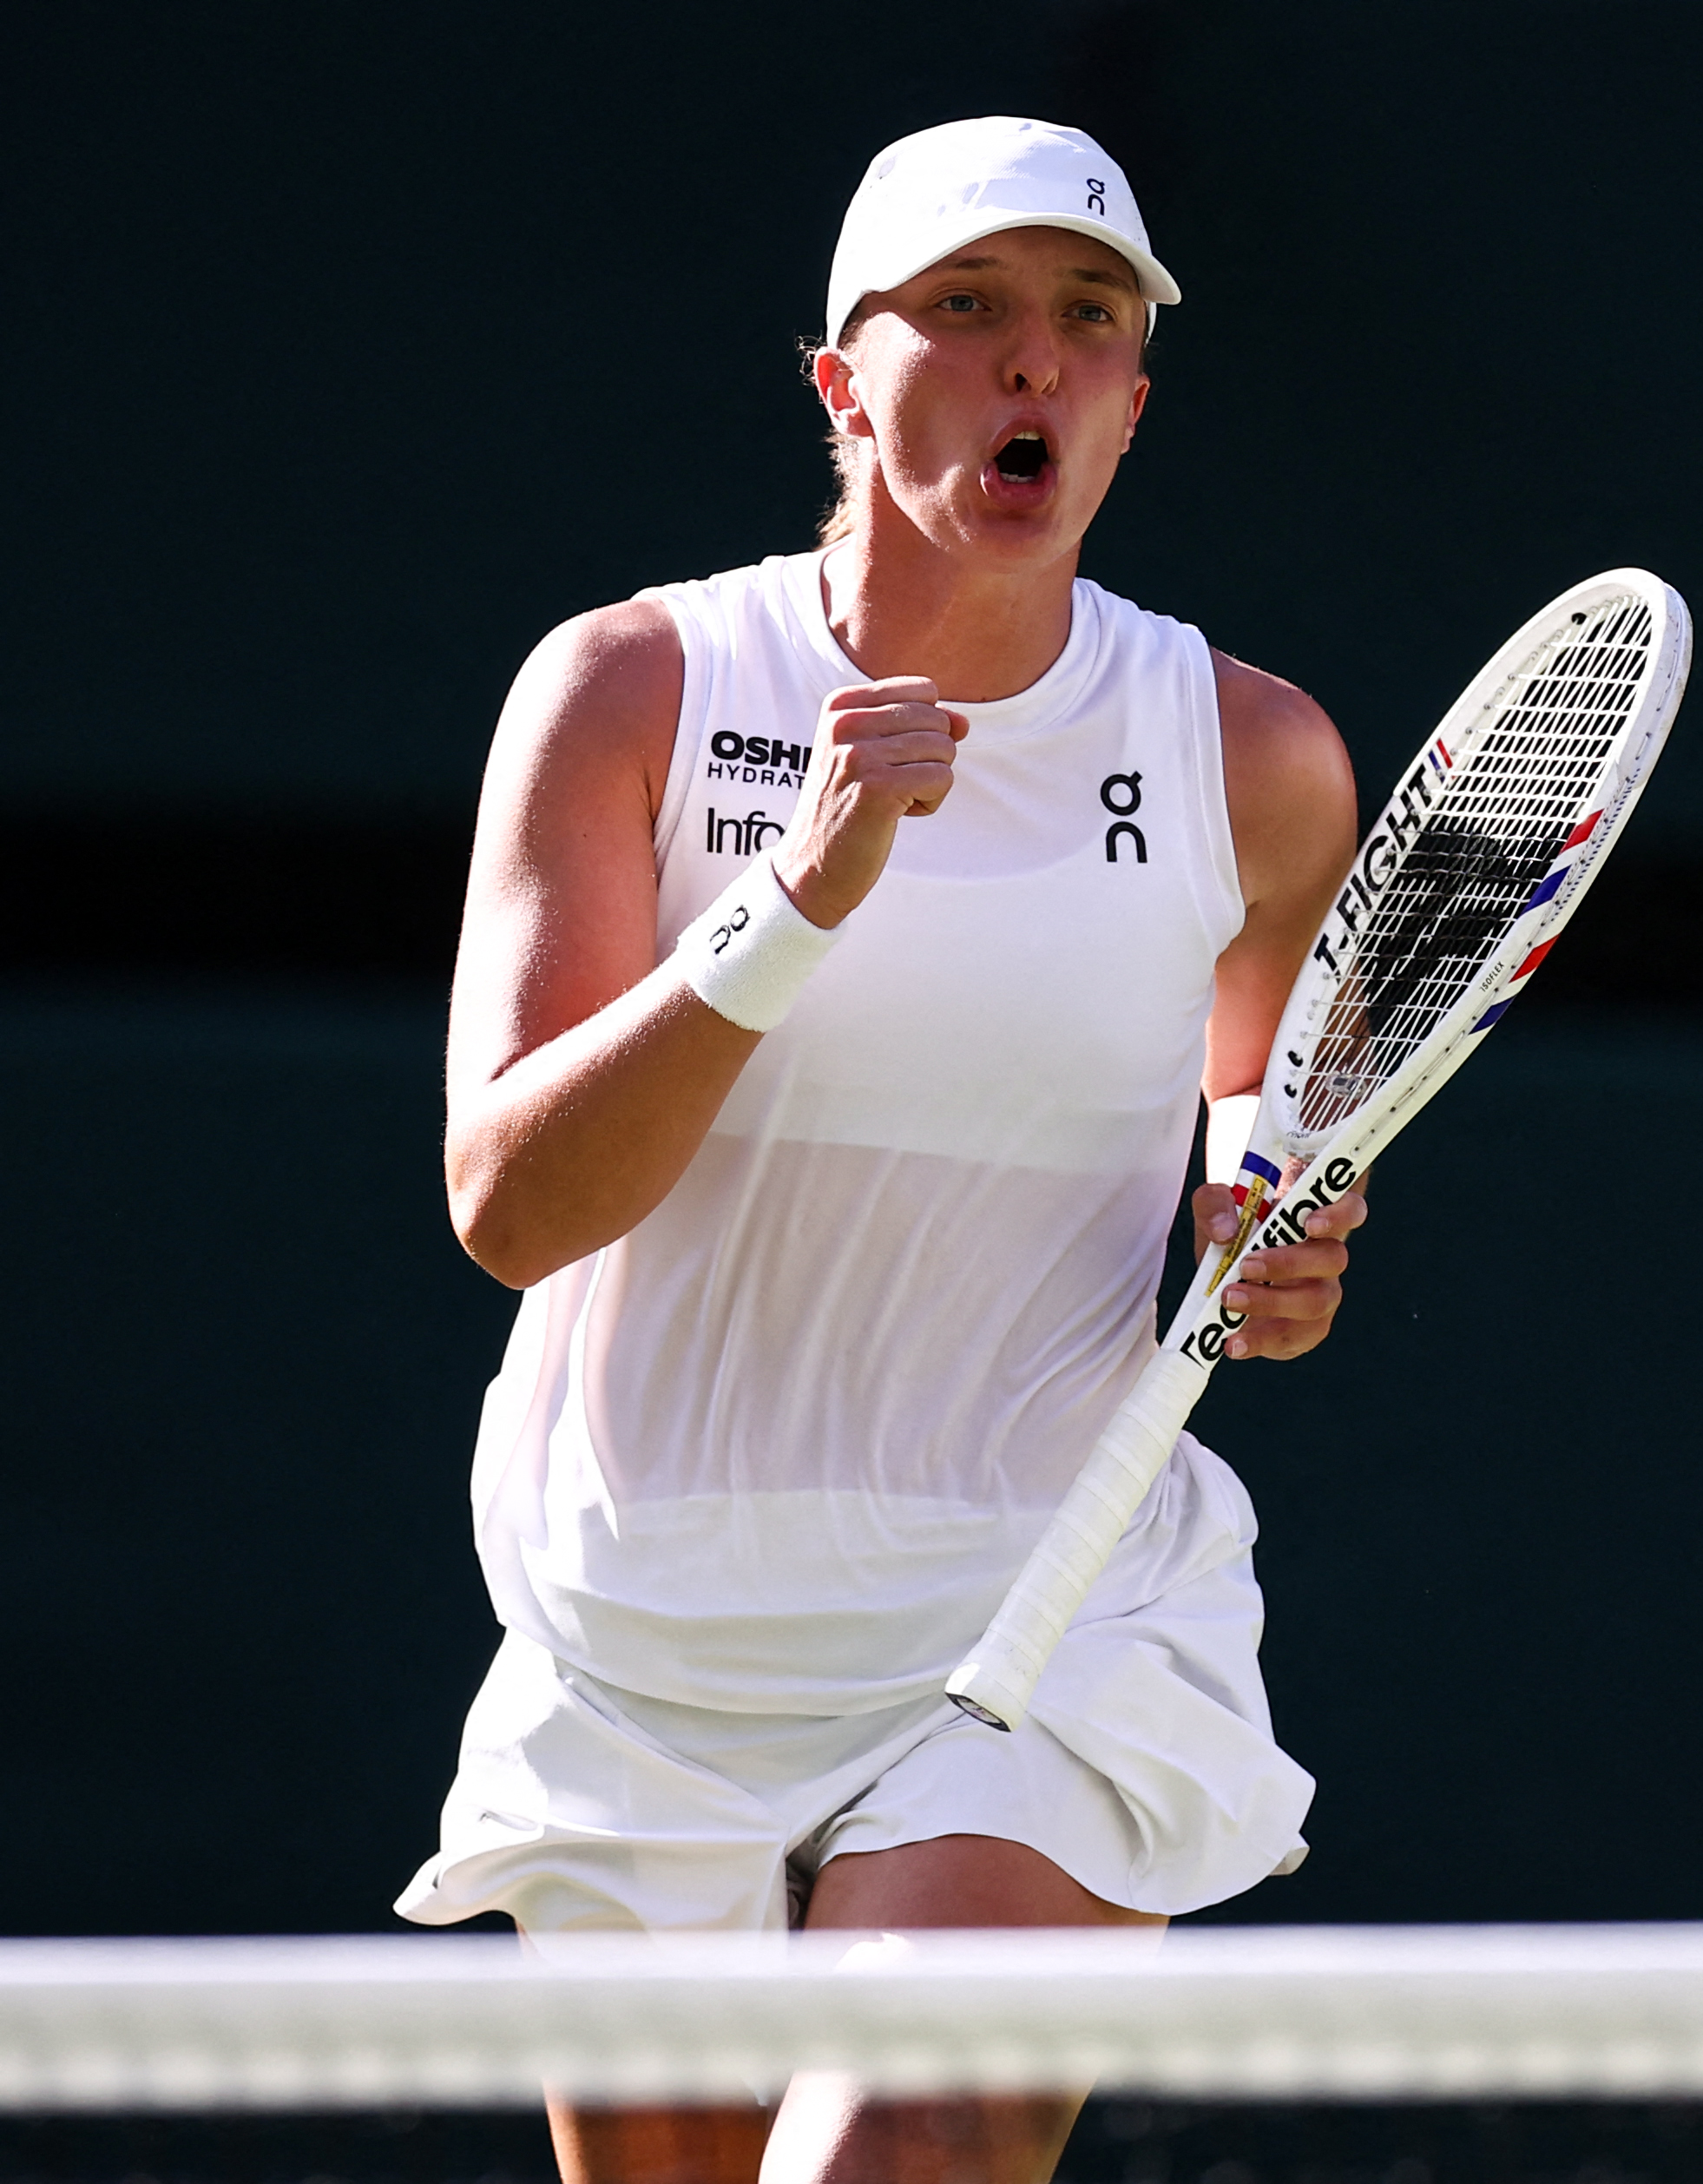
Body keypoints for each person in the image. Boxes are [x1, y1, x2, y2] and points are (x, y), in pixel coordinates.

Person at [394, 117, 1363, 2184]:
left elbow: (1251, 1177)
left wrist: (1273, 1264)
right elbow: (513, 1204)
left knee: (886, 2156)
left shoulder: (1252, 763)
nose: (1035, 362)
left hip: (1035, 1626)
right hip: (642, 1638)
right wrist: (794, 905)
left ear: (1129, 410)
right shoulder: (631, 689)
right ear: (845, 381)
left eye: (1086, 324)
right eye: (970, 309)